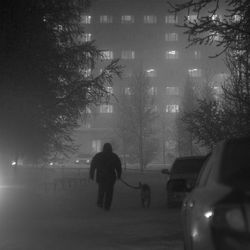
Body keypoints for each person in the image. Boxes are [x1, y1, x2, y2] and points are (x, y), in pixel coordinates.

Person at [89, 143, 122, 211]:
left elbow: (93, 165)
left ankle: (100, 203)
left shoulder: (98, 156)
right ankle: (107, 206)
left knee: (101, 190)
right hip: (111, 177)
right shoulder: (114, 156)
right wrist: (119, 175)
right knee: (109, 192)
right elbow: (118, 167)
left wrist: (91, 175)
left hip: (101, 176)